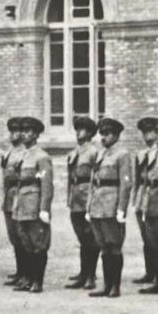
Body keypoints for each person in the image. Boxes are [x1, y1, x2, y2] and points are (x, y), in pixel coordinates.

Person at [87, 117, 134, 298]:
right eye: (102, 134)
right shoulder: (100, 154)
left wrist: (121, 208)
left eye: (107, 134)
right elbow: (93, 181)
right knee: (103, 246)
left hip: (111, 205)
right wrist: (88, 206)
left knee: (114, 246)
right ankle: (106, 285)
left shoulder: (122, 155)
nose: (103, 138)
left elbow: (126, 183)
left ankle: (115, 286)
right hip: (98, 206)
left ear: (116, 135)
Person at [12, 116, 54, 293]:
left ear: (36, 135)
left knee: (38, 243)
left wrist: (44, 208)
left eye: (28, 132)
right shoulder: (22, 155)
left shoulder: (42, 157)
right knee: (25, 243)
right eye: (22, 131)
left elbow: (46, 184)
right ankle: (27, 278)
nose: (24, 135)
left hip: (35, 203)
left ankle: (37, 281)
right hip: (22, 203)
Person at [134, 118, 158, 295]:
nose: (150, 136)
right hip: (146, 196)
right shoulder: (147, 154)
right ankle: (156, 276)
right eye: (146, 133)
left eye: (155, 133)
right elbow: (139, 179)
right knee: (150, 239)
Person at [65, 116, 100, 290]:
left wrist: (93, 200)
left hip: (88, 197)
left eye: (83, 130)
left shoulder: (94, 152)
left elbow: (96, 178)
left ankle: (91, 276)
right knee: (82, 237)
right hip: (76, 198)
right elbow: (70, 179)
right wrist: (68, 199)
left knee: (90, 238)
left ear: (91, 133)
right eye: (77, 129)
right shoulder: (73, 153)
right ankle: (83, 273)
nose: (79, 133)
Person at [0, 118, 26, 286]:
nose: (12, 135)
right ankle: (19, 271)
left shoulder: (25, 152)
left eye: (16, 131)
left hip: (19, 196)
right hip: (9, 196)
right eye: (11, 131)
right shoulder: (9, 152)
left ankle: (26, 273)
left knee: (22, 236)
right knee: (14, 236)